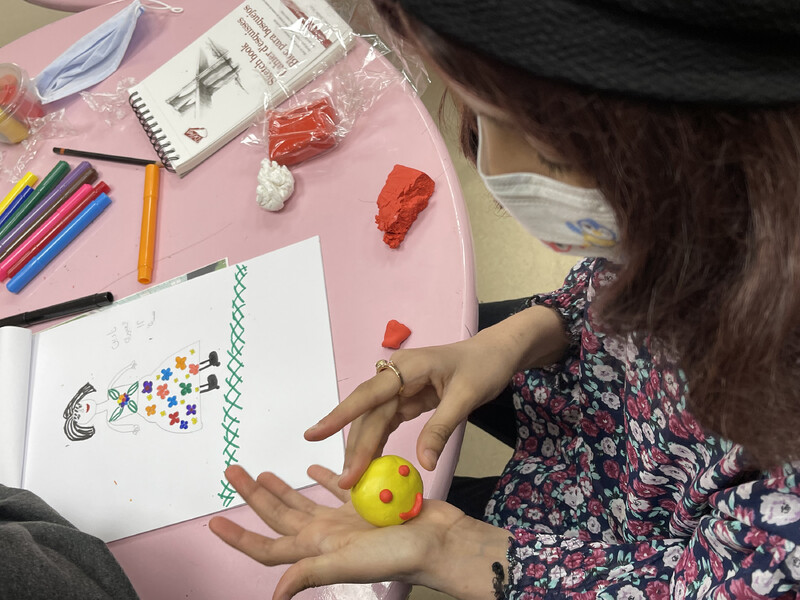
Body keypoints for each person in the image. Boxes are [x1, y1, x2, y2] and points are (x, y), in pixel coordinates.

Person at [209, 1, 800, 599]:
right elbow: (617, 289)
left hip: (623, 550)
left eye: (548, 149)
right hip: (599, 403)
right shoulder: (714, 218)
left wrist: (451, 550)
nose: (489, 164)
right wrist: (515, 338)